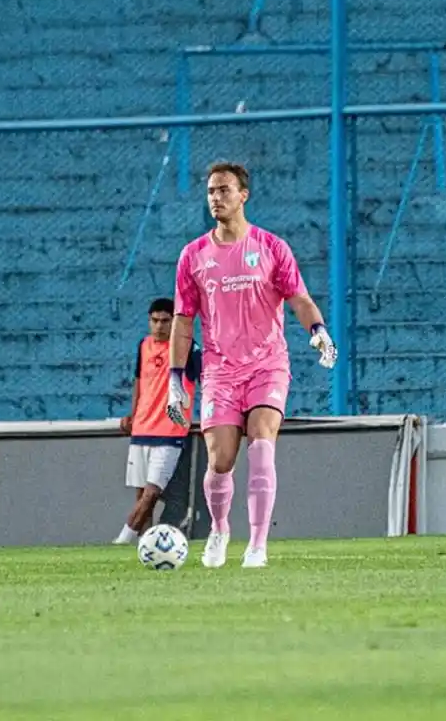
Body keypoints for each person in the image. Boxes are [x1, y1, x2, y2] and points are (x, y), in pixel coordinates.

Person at [167, 162, 337, 569]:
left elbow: (298, 297)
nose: (216, 198)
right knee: (220, 459)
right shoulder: (193, 256)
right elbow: (183, 321)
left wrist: (317, 329)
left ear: (244, 195)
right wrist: (176, 380)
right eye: (210, 191)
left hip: (267, 365)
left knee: (262, 442)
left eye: (224, 190)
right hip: (220, 372)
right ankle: (220, 529)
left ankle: (257, 544)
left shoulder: (271, 247)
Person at [113, 298, 200, 544]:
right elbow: (139, 382)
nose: (159, 326)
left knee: (152, 493)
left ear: (174, 322)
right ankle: (144, 545)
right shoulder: (143, 346)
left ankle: (122, 541)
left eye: (165, 320)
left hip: (170, 432)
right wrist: (132, 414)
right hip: (141, 429)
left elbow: (209, 379)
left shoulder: (187, 348)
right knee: (141, 495)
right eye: (155, 320)